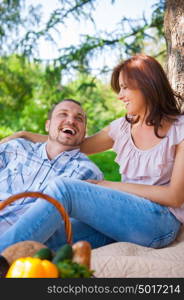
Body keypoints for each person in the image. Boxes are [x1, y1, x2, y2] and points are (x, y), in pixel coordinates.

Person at [1, 54, 184, 253]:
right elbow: (75, 143)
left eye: (124, 87)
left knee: (64, 189)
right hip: (123, 218)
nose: (120, 96)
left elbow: (174, 197)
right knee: (49, 235)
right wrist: (25, 134)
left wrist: (108, 185)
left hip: (159, 222)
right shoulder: (122, 128)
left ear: (146, 84)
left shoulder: (180, 129)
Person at [0, 99, 104, 250]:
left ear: (84, 134)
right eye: (63, 114)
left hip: (20, 242)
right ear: (48, 125)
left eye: (79, 119)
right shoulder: (16, 148)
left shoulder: (88, 172)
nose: (71, 121)